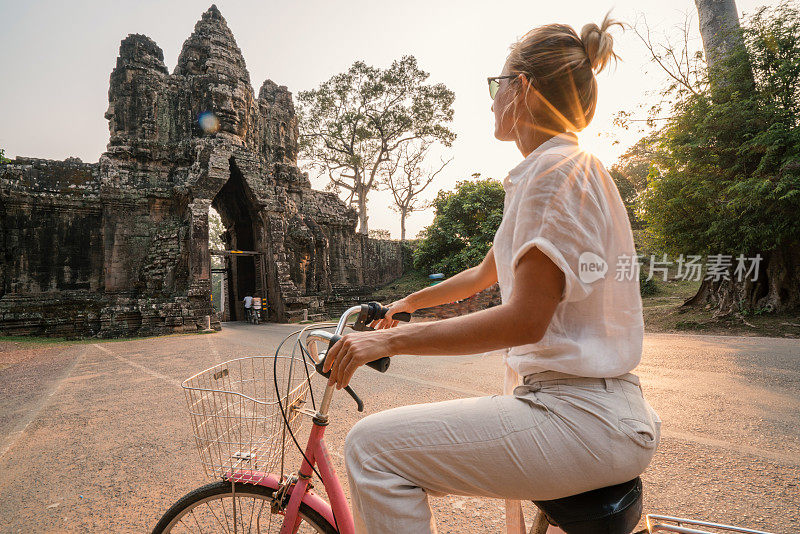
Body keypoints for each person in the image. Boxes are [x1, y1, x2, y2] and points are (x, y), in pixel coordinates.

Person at [322, 13, 662, 534]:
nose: (491, 100)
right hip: (602, 410)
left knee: (370, 449)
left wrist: (388, 343)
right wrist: (408, 303)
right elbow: (486, 272)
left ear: (521, 89)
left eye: (496, 85)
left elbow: (523, 321)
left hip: (578, 416)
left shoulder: (550, 175)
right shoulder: (569, 168)